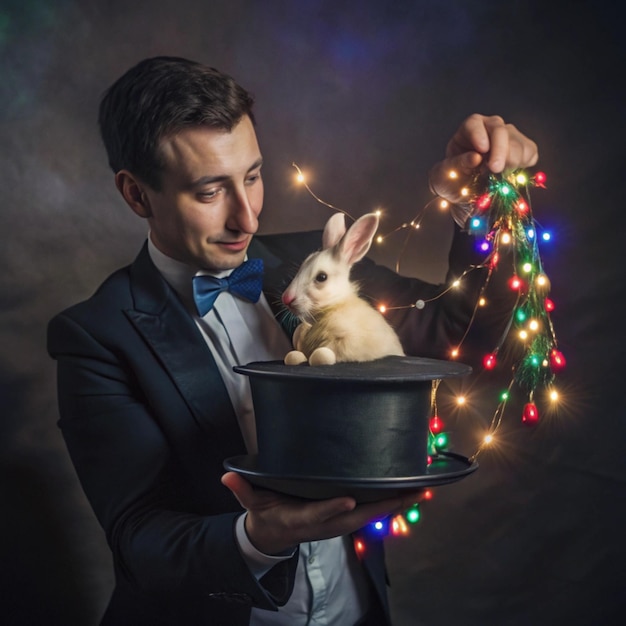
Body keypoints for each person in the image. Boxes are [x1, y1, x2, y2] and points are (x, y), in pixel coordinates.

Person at [47, 56, 539, 625]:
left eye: (252, 177)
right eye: (210, 192)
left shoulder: (314, 268)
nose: (248, 219)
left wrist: (487, 199)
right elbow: (140, 539)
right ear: (136, 195)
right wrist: (259, 538)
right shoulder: (96, 337)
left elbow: (462, 325)